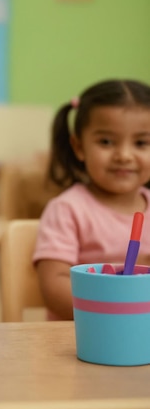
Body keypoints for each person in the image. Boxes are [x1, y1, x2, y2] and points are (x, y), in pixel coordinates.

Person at [33, 79, 150, 320]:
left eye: (141, 143)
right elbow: (54, 287)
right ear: (78, 146)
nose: (124, 156)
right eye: (106, 142)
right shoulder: (67, 209)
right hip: (79, 339)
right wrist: (112, 313)